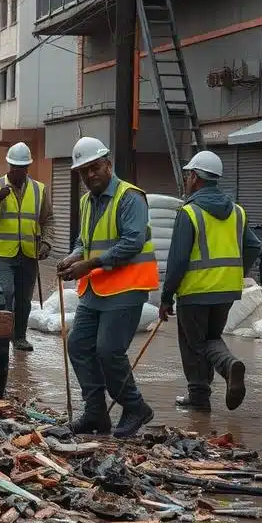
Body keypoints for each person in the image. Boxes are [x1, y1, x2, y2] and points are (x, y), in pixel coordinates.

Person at [56, 136, 158, 438]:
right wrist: (73, 257)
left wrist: (87, 265)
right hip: (96, 290)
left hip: (126, 288)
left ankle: (135, 406)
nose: (90, 175)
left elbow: (132, 242)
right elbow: (83, 241)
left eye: (95, 168)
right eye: (83, 171)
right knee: (78, 344)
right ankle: (96, 413)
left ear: (108, 164)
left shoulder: (130, 198)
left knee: (109, 350)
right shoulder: (87, 201)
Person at [158, 151, 261, 412]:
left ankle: (223, 372)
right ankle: (204, 392)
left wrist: (166, 296)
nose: (187, 179)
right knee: (211, 338)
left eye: (188, 175)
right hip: (226, 291)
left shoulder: (190, 212)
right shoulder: (237, 212)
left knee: (195, 343)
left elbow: (178, 260)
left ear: (195, 177)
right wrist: (235, 273)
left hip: (196, 291)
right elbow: (253, 246)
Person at [0, 142, 52, 353]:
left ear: (28, 167)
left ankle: (19, 337)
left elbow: (48, 220)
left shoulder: (39, 190)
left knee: (24, 299)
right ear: (8, 165)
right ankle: (2, 336)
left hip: (28, 253)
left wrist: (46, 242)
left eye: (22, 167)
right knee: (5, 292)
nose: (18, 171)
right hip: (2, 253)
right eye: (14, 167)